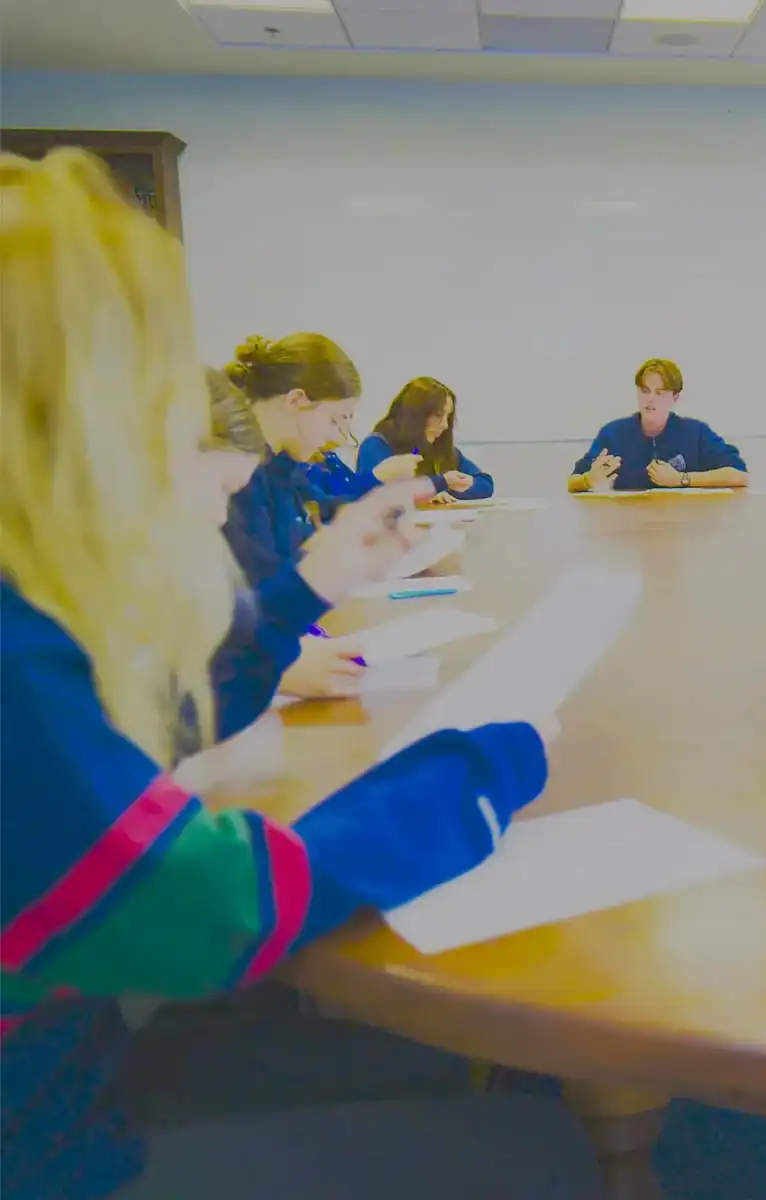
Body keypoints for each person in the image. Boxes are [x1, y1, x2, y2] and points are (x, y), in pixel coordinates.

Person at [0, 148, 586, 1200]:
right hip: (59, 1145)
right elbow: (223, 910)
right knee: (535, 1135)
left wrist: (299, 593)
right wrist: (485, 770)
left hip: (66, 1072)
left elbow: (124, 740)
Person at [220, 332, 370, 586]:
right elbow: (262, 584)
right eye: (333, 420)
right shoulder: (240, 472)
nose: (338, 436)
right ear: (296, 400)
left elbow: (322, 505)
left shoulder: (282, 464)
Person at [569, 358, 748, 492]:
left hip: (683, 526)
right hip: (631, 527)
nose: (650, 399)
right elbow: (572, 482)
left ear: (675, 398)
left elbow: (739, 476)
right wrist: (588, 480)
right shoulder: (614, 433)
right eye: (645, 391)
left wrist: (681, 479)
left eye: (659, 393)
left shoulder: (695, 433)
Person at [359, 377, 494, 505]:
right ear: (416, 415)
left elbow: (485, 484)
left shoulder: (437, 448)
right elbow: (375, 494)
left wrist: (453, 486)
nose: (445, 425)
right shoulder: (377, 445)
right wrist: (435, 486)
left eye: (448, 416)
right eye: (438, 415)